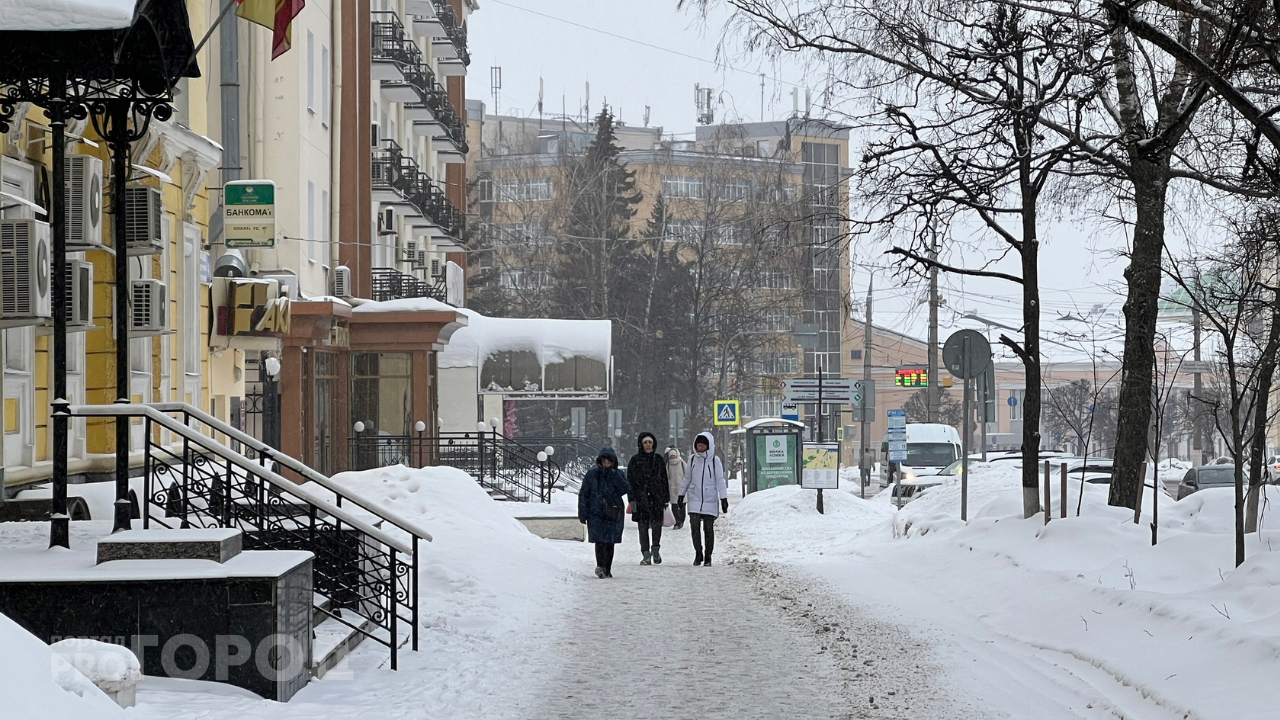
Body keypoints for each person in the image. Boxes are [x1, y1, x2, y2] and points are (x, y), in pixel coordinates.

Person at [578, 446, 631, 578]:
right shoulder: (592, 475)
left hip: (613, 512)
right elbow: (584, 494)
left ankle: (607, 569)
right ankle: (600, 566)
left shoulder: (617, 474)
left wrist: (614, 475)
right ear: (600, 461)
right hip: (596, 512)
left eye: (609, 462)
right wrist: (582, 512)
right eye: (604, 461)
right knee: (599, 541)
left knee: (610, 542)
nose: (607, 464)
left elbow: (626, 488)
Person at [678, 432, 728, 566]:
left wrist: (723, 498)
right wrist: (681, 495)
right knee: (694, 527)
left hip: (709, 498)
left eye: (703, 446)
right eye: (698, 445)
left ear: (708, 446)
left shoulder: (714, 460)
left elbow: (720, 480)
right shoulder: (692, 459)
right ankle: (698, 553)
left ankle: (708, 556)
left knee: (708, 528)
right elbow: (687, 478)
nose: (700, 448)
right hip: (694, 497)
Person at [627, 432, 669, 565]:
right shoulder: (634, 460)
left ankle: (655, 550)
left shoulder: (658, 459)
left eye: (650, 442)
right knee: (642, 527)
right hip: (640, 499)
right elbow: (630, 482)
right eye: (645, 442)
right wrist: (632, 499)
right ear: (641, 444)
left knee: (657, 525)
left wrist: (665, 497)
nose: (648, 445)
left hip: (656, 498)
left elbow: (664, 479)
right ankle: (645, 553)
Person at [665, 446, 687, 530]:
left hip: (682, 488)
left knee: (682, 506)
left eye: (673, 456)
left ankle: (681, 520)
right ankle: (677, 521)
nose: (672, 457)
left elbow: (687, 474)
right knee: (674, 506)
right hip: (672, 488)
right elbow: (667, 476)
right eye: (671, 456)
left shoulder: (682, 463)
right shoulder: (668, 465)